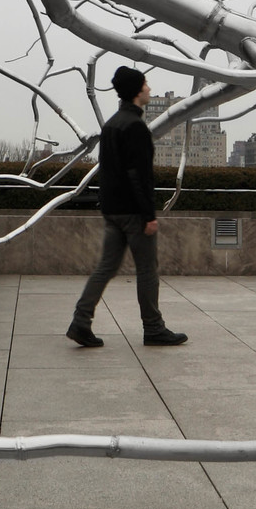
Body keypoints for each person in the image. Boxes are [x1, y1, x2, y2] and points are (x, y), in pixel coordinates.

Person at [67, 65, 188, 348]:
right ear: (136, 91)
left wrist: (108, 206)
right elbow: (139, 176)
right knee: (147, 270)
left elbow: (108, 171)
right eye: (145, 85)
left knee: (105, 268)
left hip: (113, 211)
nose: (149, 89)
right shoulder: (135, 128)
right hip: (134, 213)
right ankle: (154, 328)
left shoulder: (111, 125)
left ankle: (80, 322)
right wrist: (149, 215)